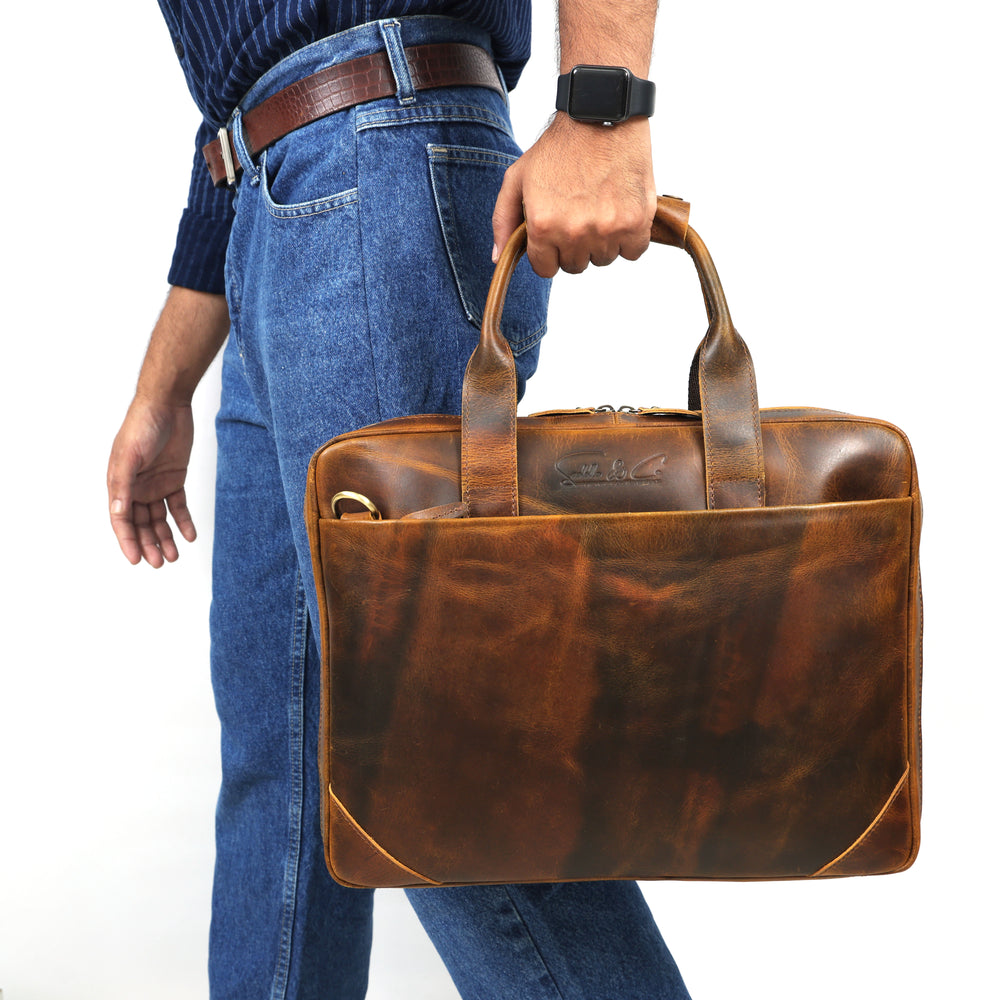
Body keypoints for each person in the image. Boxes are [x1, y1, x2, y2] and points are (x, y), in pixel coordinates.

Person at [108, 2, 692, 998]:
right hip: (273, 209)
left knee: (441, 762)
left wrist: (604, 105)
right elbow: (242, 78)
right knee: (284, 784)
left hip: (372, 172)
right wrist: (164, 386)